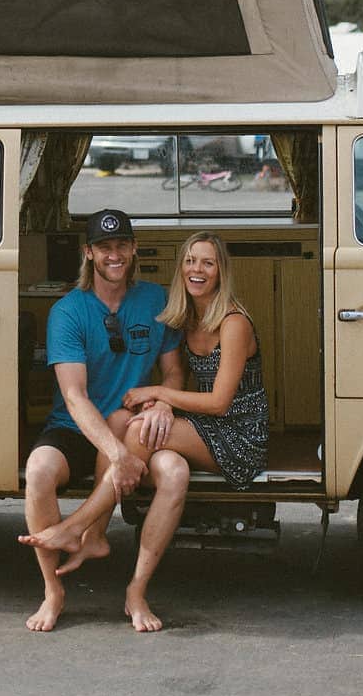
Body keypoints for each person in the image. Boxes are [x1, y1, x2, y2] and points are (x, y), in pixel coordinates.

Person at [21, 233, 269, 592]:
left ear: (221, 272)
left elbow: (219, 403)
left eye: (207, 263)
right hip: (210, 426)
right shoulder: (187, 316)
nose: (197, 270)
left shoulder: (233, 322)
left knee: (137, 430)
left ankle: (82, 525)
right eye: (190, 261)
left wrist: (157, 394)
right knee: (122, 419)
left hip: (238, 435)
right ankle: (96, 536)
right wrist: (161, 404)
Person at [19, 209, 190, 634]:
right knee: (38, 469)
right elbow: (74, 397)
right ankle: (53, 591)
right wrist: (118, 456)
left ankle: (131, 585)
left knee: (171, 467)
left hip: (133, 427)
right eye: (104, 248)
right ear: (89, 253)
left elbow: (172, 373)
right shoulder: (68, 311)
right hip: (77, 429)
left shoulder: (155, 301)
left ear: (133, 249)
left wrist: (164, 403)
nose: (114, 255)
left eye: (121, 246)